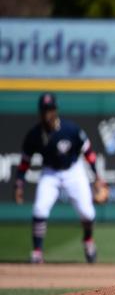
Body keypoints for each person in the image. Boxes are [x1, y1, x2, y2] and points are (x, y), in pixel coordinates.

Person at [13, 92, 104, 264]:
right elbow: (25, 162)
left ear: (56, 110)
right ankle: (37, 252)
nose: (47, 113)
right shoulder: (34, 135)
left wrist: (97, 176)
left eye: (50, 109)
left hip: (73, 171)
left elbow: (88, 152)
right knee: (39, 209)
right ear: (39, 112)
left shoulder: (70, 129)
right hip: (50, 173)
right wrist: (19, 184)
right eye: (44, 109)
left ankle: (88, 241)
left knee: (87, 213)